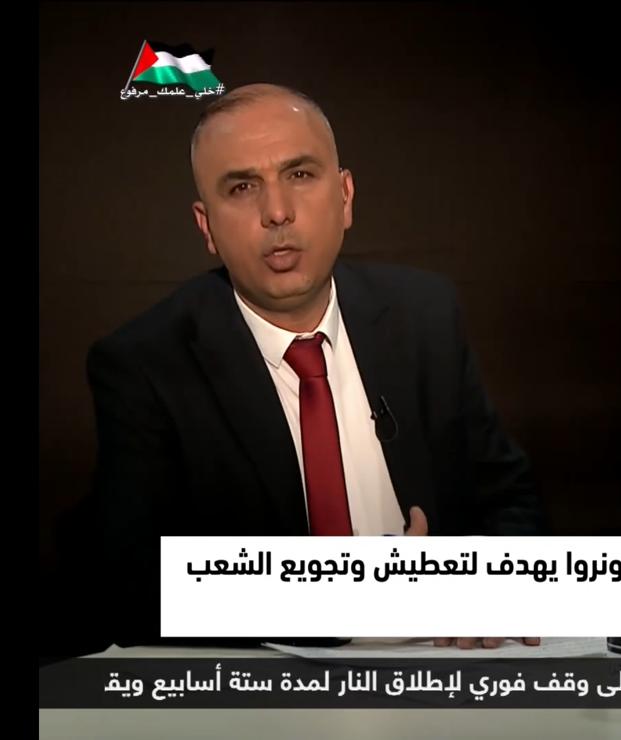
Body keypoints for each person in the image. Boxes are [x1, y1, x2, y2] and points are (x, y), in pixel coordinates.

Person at [86, 83, 545, 649]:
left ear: (345, 197)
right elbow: (140, 587)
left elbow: (508, 500)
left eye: (300, 174)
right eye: (242, 187)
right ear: (206, 227)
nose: (277, 212)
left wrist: (495, 586)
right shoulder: (145, 365)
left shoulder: (424, 316)